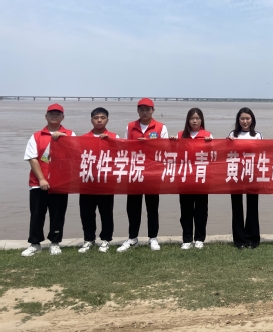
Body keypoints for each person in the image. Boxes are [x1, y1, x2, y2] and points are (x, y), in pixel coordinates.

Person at [22, 104, 75, 257]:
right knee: (37, 214)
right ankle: (35, 243)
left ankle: (55, 243)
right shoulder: (36, 136)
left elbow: (75, 156)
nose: (54, 116)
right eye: (51, 113)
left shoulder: (70, 134)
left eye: (58, 113)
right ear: (46, 116)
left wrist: (64, 141)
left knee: (58, 214)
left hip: (60, 183)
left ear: (63, 117)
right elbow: (32, 158)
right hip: (38, 183)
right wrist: (42, 179)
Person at [117, 98, 168, 253]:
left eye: (147, 109)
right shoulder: (130, 126)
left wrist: (149, 144)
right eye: (142, 109)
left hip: (152, 172)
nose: (145, 112)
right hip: (135, 171)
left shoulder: (161, 127)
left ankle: (153, 237)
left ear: (153, 110)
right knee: (133, 206)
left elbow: (165, 148)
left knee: (152, 206)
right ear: (138, 111)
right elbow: (125, 147)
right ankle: (132, 238)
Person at [170, 108, 213, 250]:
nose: (195, 121)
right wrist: (172, 143)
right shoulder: (180, 135)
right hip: (185, 178)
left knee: (201, 210)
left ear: (201, 120)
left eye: (197, 118)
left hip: (202, 177)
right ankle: (187, 239)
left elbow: (214, 156)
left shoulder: (207, 135)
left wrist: (211, 144)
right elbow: (173, 154)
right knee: (186, 210)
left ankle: (199, 238)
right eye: (192, 118)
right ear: (188, 120)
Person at [78, 107, 119, 254]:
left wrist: (111, 142)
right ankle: (89, 239)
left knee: (106, 213)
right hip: (87, 182)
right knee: (86, 213)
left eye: (102, 117)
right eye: (96, 118)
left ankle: (106, 239)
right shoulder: (83, 138)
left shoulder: (114, 137)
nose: (99, 120)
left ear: (107, 120)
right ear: (91, 120)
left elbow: (121, 156)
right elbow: (75, 158)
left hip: (106, 182)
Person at [227, 107, 263, 249]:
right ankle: (239, 240)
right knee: (236, 206)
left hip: (252, 173)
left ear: (252, 120)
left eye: (247, 118)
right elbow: (226, 152)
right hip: (235, 173)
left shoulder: (257, 135)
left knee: (252, 206)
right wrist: (228, 142)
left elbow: (262, 153)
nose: (245, 121)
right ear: (238, 120)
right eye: (242, 118)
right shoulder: (232, 134)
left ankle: (252, 238)